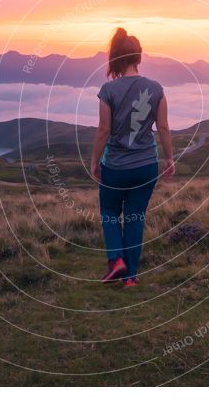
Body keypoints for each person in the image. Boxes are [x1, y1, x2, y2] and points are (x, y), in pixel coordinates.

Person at [90, 27, 174, 287]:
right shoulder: (156, 89)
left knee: (110, 211)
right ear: (139, 58)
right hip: (146, 165)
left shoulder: (108, 90)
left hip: (116, 165)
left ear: (117, 58)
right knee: (136, 217)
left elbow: (104, 130)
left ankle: (115, 260)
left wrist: (94, 161)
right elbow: (163, 127)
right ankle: (131, 279)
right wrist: (169, 158)